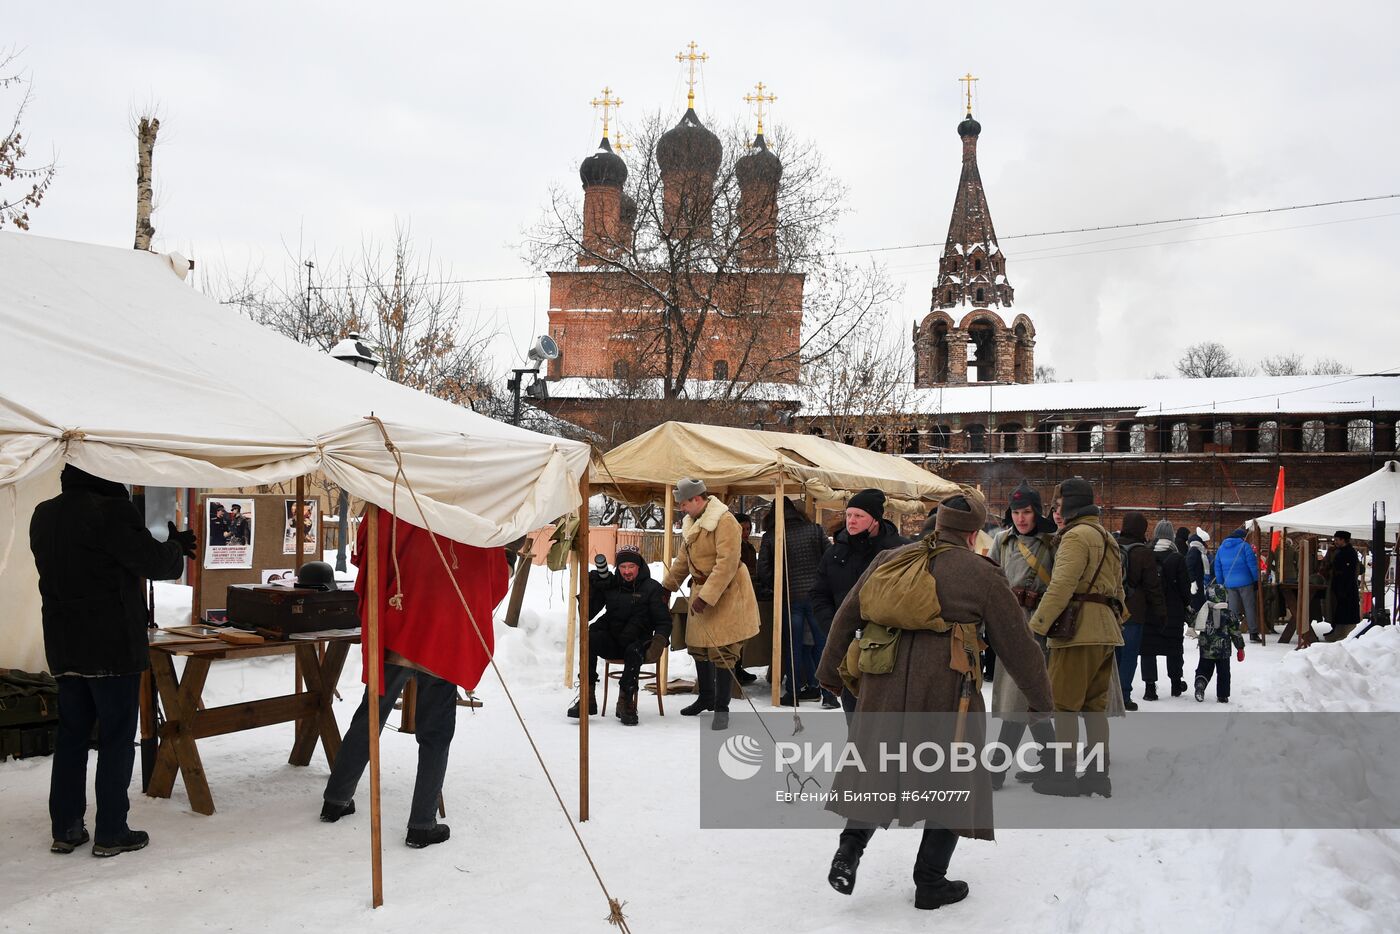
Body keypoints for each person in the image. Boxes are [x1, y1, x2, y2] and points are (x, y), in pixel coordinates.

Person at [815, 489, 1053, 911]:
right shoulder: (982, 573)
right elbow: (1018, 645)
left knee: (876, 767)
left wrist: (830, 673)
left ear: (938, 523)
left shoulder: (891, 560)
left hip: (881, 685)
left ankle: (848, 852)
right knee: (952, 780)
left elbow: (847, 614)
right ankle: (930, 882)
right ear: (973, 532)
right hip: (947, 690)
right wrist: (1039, 699)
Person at [30, 465, 196, 856]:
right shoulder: (109, 511)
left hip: (64, 643)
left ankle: (67, 827)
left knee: (71, 737)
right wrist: (175, 547)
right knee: (116, 739)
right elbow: (157, 564)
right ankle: (111, 831)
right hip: (110, 646)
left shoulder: (45, 513)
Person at [321, 508, 508, 848]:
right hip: (443, 635)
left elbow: (365, 552)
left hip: (399, 625)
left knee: (370, 716)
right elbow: (494, 580)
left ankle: (335, 800)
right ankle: (422, 824)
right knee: (435, 732)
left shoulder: (394, 499)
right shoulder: (475, 509)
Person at [1028, 478, 1125, 798]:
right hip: (1105, 631)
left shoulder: (1075, 537)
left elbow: (1061, 587)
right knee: (1094, 709)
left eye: (1057, 505)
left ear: (1069, 505)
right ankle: (1098, 776)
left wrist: (1036, 627)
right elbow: (1119, 591)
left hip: (1077, 632)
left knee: (1064, 706)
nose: (1055, 511)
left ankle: (1063, 775)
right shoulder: (1105, 536)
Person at [660, 478, 760, 731]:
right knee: (698, 647)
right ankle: (705, 697)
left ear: (697, 499)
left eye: (683, 503)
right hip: (700, 589)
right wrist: (667, 587)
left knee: (722, 651)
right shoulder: (692, 523)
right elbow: (683, 560)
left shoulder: (725, 521)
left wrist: (707, 597)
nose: (681, 508)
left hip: (726, 592)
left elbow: (727, 563)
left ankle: (722, 708)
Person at [809, 489, 908, 717]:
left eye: (858, 516)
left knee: (887, 721)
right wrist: (835, 626)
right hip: (848, 648)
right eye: (849, 515)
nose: (851, 521)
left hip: (889, 650)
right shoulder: (835, 552)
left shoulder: (899, 551)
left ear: (875, 519)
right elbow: (818, 594)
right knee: (854, 718)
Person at [987, 481, 1059, 789]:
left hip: (1040, 627)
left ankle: (995, 771)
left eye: (1027, 512)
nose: (1021, 518)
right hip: (1010, 625)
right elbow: (988, 581)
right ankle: (1052, 763)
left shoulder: (1052, 543)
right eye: (1016, 512)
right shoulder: (1002, 542)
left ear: (1037, 512)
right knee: (1028, 699)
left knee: (1021, 699)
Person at [567, 547, 672, 725]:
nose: (627, 571)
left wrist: (659, 642)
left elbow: (664, 621)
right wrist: (591, 588)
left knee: (634, 649)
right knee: (590, 638)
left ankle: (625, 701)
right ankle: (587, 697)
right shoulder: (610, 583)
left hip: (638, 640)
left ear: (639, 566)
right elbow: (588, 614)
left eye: (631, 566)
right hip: (614, 638)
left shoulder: (652, 588)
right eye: (623, 567)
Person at [756, 496, 829, 706]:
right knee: (822, 644)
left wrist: (776, 587)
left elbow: (764, 570)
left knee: (792, 645)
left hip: (790, 597)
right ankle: (829, 693)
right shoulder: (815, 530)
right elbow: (829, 559)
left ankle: (793, 692)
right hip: (816, 597)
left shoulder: (772, 536)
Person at [1117, 512, 1165, 711]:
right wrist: (1161, 613)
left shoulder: (1112, 547)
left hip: (1112, 609)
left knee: (1112, 655)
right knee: (1129, 655)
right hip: (1135, 612)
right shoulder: (1144, 553)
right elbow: (1153, 587)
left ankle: (1108, 694)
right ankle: (1124, 695)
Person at [1142, 519, 1191, 700]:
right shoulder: (1177, 557)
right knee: (1174, 648)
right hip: (1173, 612)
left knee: (1148, 649)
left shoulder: (1146, 554)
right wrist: (1187, 604)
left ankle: (1149, 688)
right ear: (1171, 536)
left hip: (1150, 611)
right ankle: (1176, 684)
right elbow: (1185, 589)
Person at [1194, 583, 1245, 703]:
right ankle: (1222, 695)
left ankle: (1200, 684)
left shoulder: (1204, 612)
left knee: (1204, 669)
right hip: (1223, 651)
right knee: (1224, 674)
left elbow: (1193, 620)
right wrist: (1240, 648)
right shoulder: (1229, 614)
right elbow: (1235, 632)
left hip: (1206, 649)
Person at [1213, 527, 1262, 643]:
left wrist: (1221, 583)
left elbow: (1218, 568)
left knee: (1232, 609)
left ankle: (1231, 631)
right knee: (1249, 607)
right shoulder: (1245, 546)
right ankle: (1253, 633)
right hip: (1246, 582)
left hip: (1229, 583)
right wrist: (1256, 580)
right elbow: (1252, 565)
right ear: (1241, 537)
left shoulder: (1221, 549)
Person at [731, 513, 759, 685]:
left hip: (748, 591)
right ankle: (733, 669)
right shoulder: (732, 546)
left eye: (748, 529)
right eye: (742, 529)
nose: (746, 532)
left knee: (742, 635)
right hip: (734, 594)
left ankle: (738, 667)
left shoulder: (749, 547)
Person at [1322, 530, 1361, 639]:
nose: (1335, 541)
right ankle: (1337, 630)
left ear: (1343, 540)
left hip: (1346, 587)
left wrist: (1343, 587)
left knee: (1346, 611)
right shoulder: (1340, 551)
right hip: (1339, 586)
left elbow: (1349, 571)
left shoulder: (1349, 552)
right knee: (1339, 610)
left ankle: (1344, 633)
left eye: (1337, 539)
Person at [1185, 528, 1211, 625]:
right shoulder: (1195, 551)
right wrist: (1193, 582)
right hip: (1196, 583)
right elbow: (1189, 566)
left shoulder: (1197, 550)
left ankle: (1196, 625)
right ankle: (1194, 626)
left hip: (1199, 581)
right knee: (1197, 605)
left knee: (1199, 604)